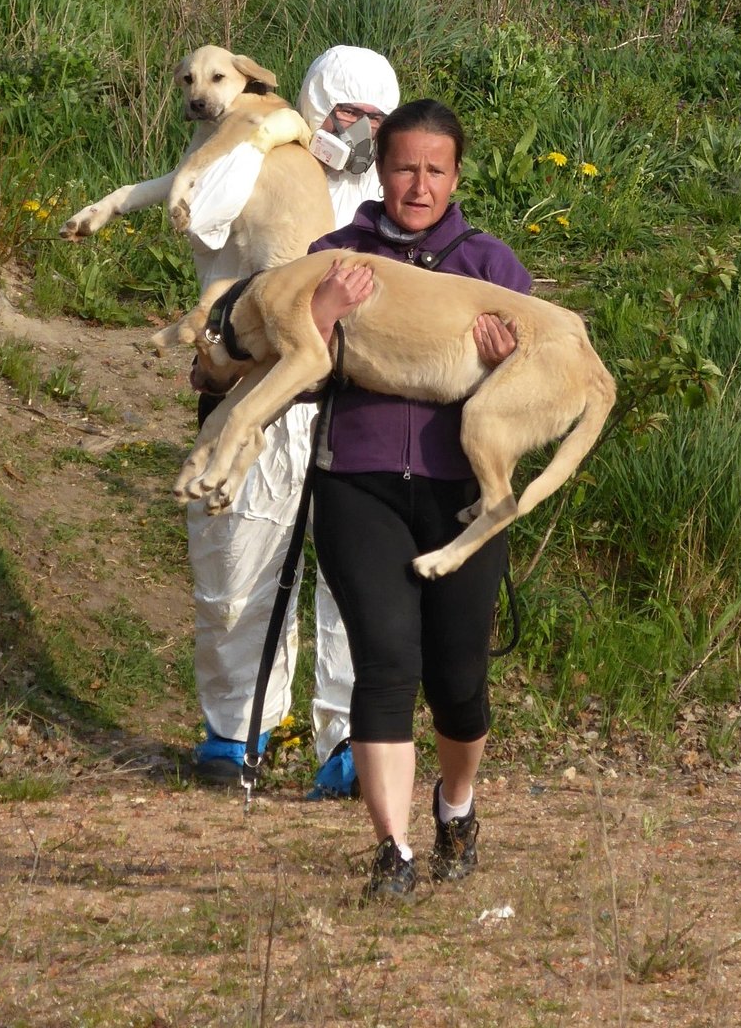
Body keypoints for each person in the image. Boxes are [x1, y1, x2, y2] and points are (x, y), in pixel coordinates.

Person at [306, 98, 532, 901]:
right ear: (381, 168)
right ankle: (394, 853)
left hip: (460, 500)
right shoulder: (335, 254)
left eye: (436, 169)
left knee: (459, 680)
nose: (419, 183)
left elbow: (531, 397)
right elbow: (292, 366)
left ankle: (456, 806)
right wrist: (323, 313)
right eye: (405, 166)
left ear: (457, 176)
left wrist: (503, 366)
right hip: (357, 483)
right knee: (385, 666)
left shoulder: (493, 266)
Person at [190, 46, 401, 795]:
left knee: (355, 584)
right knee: (236, 563)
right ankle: (236, 729)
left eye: (377, 118)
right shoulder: (261, 153)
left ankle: (349, 740)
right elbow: (203, 217)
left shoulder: (391, 197)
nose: (362, 132)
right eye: (348, 114)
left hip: (352, 408)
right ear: (315, 107)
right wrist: (256, 142)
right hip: (253, 399)